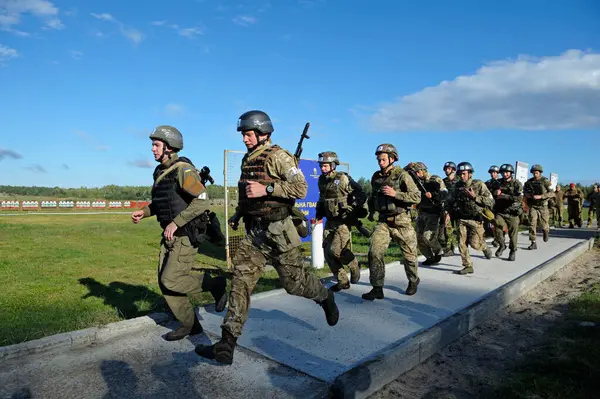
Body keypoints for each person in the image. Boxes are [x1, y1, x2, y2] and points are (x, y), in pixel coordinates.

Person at [195, 110, 338, 365]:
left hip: (280, 233)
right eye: (243, 135)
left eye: (248, 134)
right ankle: (226, 344)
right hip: (255, 234)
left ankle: (325, 297)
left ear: (263, 133)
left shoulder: (279, 157)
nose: (245, 139)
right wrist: (239, 213)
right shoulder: (249, 159)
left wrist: (268, 188)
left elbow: (301, 187)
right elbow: (247, 191)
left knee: (294, 284)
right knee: (240, 284)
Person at [131, 125, 227, 341]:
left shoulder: (183, 170)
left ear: (169, 147)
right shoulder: (160, 172)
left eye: (156, 145)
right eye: (153, 145)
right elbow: (161, 203)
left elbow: (202, 201)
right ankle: (190, 325)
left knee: (171, 280)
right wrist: (144, 212)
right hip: (170, 235)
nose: (153, 149)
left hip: (185, 234)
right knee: (164, 282)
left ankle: (214, 284)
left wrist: (176, 222)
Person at [363, 144, 421, 298]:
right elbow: (373, 196)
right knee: (374, 251)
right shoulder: (376, 177)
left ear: (392, 158)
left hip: (402, 221)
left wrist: (396, 194)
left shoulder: (402, 175)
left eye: (383, 159)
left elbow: (417, 197)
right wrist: (371, 211)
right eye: (378, 159)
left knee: (409, 256)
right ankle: (377, 288)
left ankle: (413, 280)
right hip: (383, 221)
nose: (380, 162)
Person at [316, 151, 366, 291]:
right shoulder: (322, 180)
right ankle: (342, 281)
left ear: (333, 165)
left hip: (343, 222)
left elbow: (360, 194)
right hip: (330, 221)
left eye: (325, 166)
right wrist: (319, 212)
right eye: (321, 166)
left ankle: (354, 264)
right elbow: (322, 198)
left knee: (336, 251)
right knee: (327, 252)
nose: (323, 168)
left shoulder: (343, 178)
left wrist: (353, 210)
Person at [445, 162, 494, 274]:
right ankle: (468, 265)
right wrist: (447, 212)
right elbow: (450, 201)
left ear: (470, 174)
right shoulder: (457, 186)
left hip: (475, 219)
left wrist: (475, 197)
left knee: (474, 244)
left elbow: (491, 201)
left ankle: (484, 247)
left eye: (464, 174)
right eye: (460, 174)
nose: (462, 176)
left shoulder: (479, 184)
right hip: (461, 218)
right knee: (461, 243)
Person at [405, 162, 447, 265]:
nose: (416, 175)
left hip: (434, 212)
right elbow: (401, 175)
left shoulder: (435, 179)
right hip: (422, 212)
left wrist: (433, 195)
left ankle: (438, 251)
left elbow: (445, 194)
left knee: (428, 236)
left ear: (422, 171)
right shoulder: (416, 182)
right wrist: (407, 167)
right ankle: (429, 257)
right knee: (419, 237)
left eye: (417, 172)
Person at [492, 164, 523, 261]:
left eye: (507, 172)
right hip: (500, 212)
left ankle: (512, 250)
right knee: (497, 227)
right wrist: (495, 193)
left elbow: (519, 198)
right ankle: (502, 245)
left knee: (513, 233)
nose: (505, 174)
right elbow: (490, 194)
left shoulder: (517, 184)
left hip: (512, 212)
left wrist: (504, 196)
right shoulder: (497, 183)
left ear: (511, 173)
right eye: (503, 172)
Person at [523, 164, 554, 249]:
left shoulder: (545, 181)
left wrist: (541, 196)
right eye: (533, 173)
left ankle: (545, 232)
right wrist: (527, 195)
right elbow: (524, 191)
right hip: (533, 205)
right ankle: (533, 242)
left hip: (543, 206)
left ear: (540, 173)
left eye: (536, 173)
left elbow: (552, 193)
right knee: (532, 223)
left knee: (544, 224)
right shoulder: (529, 182)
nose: (535, 174)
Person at [439, 161, 458, 256]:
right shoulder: (443, 182)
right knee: (447, 229)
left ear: (454, 170)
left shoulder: (459, 181)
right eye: (446, 169)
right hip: (447, 208)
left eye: (449, 169)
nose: (447, 170)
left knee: (460, 230)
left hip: (459, 209)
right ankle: (450, 249)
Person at [485, 165, 501, 246]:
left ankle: (497, 239)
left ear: (498, 173)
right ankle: (494, 236)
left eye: (494, 172)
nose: (492, 174)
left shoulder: (501, 182)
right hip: (489, 205)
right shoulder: (487, 182)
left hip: (499, 205)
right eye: (491, 172)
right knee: (489, 222)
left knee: (497, 222)